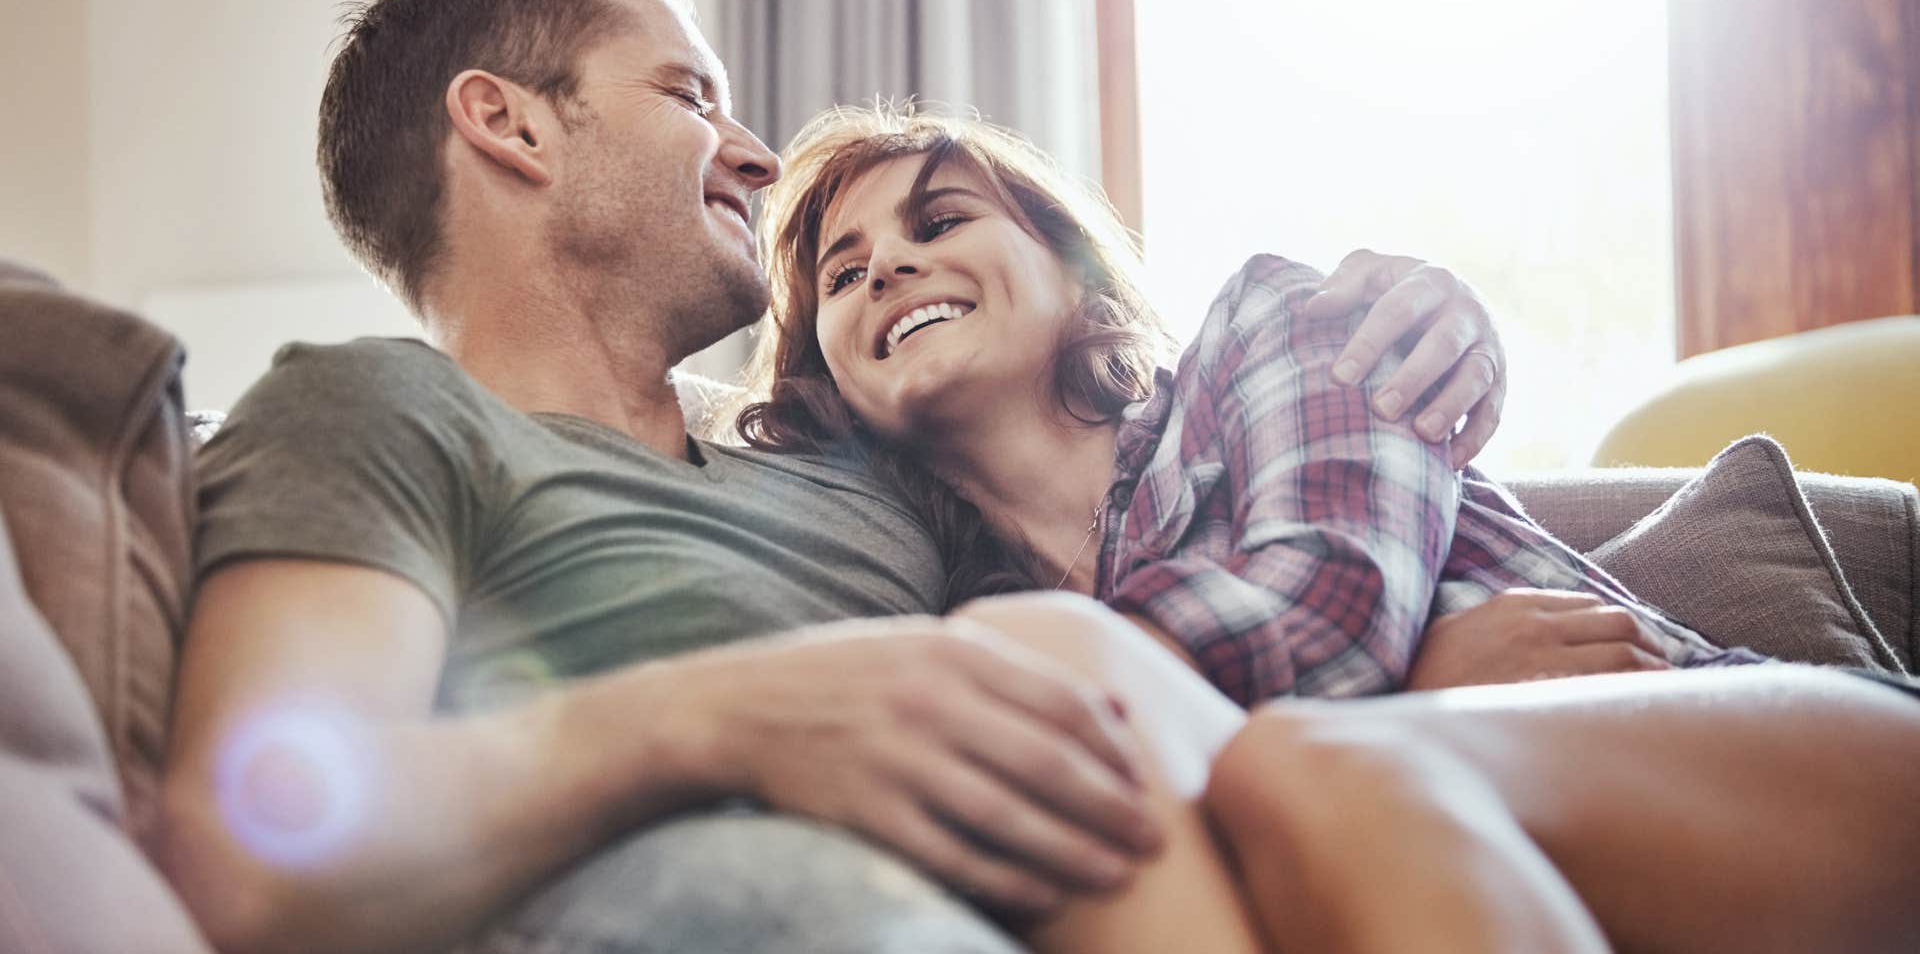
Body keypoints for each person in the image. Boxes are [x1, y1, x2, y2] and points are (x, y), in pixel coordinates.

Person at [155, 0, 1515, 954]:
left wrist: (1430, 580)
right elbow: (249, 850)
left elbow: (1134, 527)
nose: (754, 155)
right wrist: (718, 717)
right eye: (691, 92)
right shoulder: (376, 412)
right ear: (507, 123)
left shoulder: (866, 473)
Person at [739, 103, 1920, 952]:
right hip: (1472, 872)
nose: (890, 265)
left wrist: (1389, 687)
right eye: (842, 277)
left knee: (1312, 759)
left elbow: (1333, 615)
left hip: (1794, 773)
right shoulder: (967, 612)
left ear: (1077, 278)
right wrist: (1435, 681)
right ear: (833, 385)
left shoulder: (1280, 327)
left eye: (939, 221)